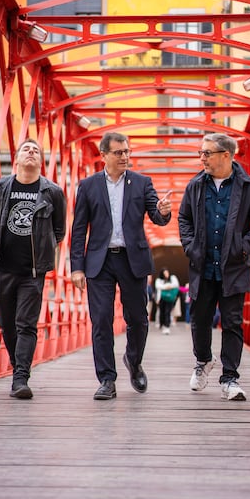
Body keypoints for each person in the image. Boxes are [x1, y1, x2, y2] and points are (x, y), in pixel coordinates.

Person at [70, 131, 172, 400]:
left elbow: (157, 217)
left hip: (132, 259)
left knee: (137, 319)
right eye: (118, 152)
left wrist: (163, 211)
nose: (125, 156)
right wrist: (76, 267)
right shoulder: (88, 186)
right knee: (101, 319)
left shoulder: (141, 183)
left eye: (127, 151)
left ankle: (134, 361)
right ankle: (106, 379)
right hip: (99, 262)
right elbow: (79, 229)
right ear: (103, 155)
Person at [178, 133, 250, 401]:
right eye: (201, 153)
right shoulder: (195, 185)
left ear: (226, 155)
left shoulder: (249, 186)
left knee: (232, 323)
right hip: (202, 265)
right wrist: (190, 246)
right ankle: (203, 360)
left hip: (234, 266)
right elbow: (184, 218)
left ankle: (230, 378)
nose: (202, 158)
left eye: (207, 153)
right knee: (200, 320)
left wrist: (244, 246)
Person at [0, 138, 67, 399]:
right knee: (8, 326)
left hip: (33, 273)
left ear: (41, 161)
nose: (31, 153)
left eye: (36, 151)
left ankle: (20, 378)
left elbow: (59, 230)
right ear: (16, 159)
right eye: (25, 150)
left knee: (26, 325)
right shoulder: (0, 187)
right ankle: (17, 367)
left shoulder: (52, 191)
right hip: (3, 269)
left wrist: (42, 255)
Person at [155, 268, 179, 334]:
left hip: (170, 298)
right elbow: (158, 286)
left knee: (167, 312)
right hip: (161, 299)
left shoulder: (172, 278)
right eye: (165, 273)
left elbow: (176, 284)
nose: (166, 274)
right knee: (162, 312)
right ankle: (162, 324)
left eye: (167, 272)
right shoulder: (159, 280)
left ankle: (167, 326)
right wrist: (167, 286)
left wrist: (166, 286)